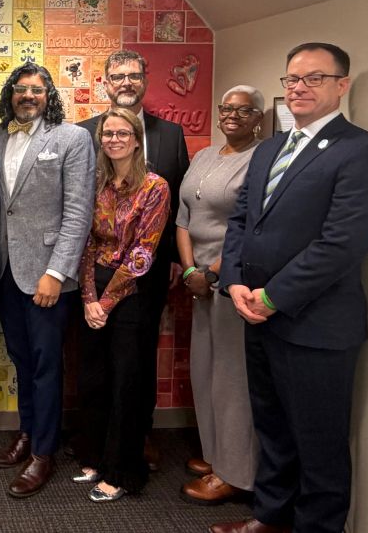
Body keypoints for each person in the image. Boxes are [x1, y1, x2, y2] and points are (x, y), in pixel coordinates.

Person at [211, 43, 368, 533]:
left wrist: (271, 297)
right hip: (255, 315)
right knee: (272, 429)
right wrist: (234, 283)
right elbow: (242, 220)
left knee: (319, 443)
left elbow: (341, 245)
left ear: (342, 85)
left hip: (316, 326)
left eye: (314, 78)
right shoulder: (270, 147)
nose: (299, 88)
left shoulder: (366, 152)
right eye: (292, 79)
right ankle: (270, 518)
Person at [0, 62, 95, 497]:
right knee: (21, 361)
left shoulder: (71, 138)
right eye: (20, 89)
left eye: (37, 90)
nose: (28, 96)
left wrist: (56, 272)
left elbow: (78, 212)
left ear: (49, 96)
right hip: (4, 271)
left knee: (47, 365)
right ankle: (27, 434)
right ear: (10, 94)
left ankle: (44, 453)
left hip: (47, 277)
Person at [77, 49, 189, 470]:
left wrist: (179, 259)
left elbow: (176, 203)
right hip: (94, 272)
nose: (126, 82)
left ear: (145, 79)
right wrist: (93, 293)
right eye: (117, 75)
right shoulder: (83, 133)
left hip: (148, 274)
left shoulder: (171, 134)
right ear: (105, 81)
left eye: (134, 75)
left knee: (137, 363)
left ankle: (138, 441)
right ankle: (99, 445)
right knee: (96, 367)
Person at [74, 108, 170, 502]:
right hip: (93, 292)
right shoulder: (97, 184)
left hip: (132, 296)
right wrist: (88, 298)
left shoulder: (154, 187)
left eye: (122, 133)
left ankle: (122, 471)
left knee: (126, 384)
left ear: (136, 139)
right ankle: (95, 457)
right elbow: (88, 243)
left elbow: (142, 254)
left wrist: (107, 301)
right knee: (93, 380)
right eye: (108, 133)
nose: (114, 139)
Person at [176, 86, 263, 506]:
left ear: (258, 117)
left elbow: (247, 226)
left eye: (242, 110)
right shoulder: (205, 155)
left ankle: (236, 472)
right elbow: (184, 217)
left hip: (232, 281)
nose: (232, 116)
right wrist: (191, 269)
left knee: (232, 378)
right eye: (226, 109)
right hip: (199, 280)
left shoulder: (260, 159)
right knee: (204, 369)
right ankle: (215, 456)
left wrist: (211, 273)